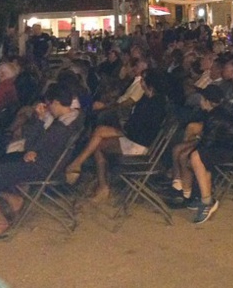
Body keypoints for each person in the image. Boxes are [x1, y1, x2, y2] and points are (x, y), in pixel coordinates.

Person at [0, 84, 82, 238]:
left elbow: (30, 144)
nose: (48, 108)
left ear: (56, 102)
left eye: (48, 104)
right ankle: (13, 199)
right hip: (47, 163)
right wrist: (33, 149)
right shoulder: (74, 119)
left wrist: (39, 119)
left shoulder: (61, 127)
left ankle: (1, 221)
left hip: (42, 167)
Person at [64, 69, 167, 202]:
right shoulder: (150, 99)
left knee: (98, 143)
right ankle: (85, 171)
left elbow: (141, 128)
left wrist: (122, 130)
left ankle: (91, 176)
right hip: (134, 136)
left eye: (143, 80)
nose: (141, 81)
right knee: (99, 132)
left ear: (149, 84)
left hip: (139, 143)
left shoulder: (153, 104)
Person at [185, 86, 233, 223]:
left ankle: (207, 201)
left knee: (196, 157)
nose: (200, 101)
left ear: (207, 101)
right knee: (199, 158)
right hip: (232, 148)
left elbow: (208, 143)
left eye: (202, 99)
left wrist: (191, 153)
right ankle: (205, 197)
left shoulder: (215, 117)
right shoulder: (216, 113)